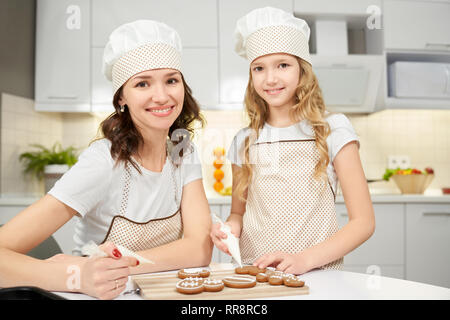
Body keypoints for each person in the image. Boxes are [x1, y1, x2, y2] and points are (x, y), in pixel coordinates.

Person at [0, 20, 212, 299]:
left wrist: (118, 267)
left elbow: (199, 248)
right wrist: (77, 274)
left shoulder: (182, 149)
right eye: (142, 83)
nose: (161, 96)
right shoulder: (104, 161)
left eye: (171, 80)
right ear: (121, 97)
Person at [210, 7, 375, 275]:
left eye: (283, 65)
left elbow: (364, 222)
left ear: (302, 70)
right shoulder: (244, 140)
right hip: (255, 274)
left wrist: (304, 260)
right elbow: (238, 213)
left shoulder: (332, 129)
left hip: (317, 273)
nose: (270, 78)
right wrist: (230, 229)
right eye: (259, 68)